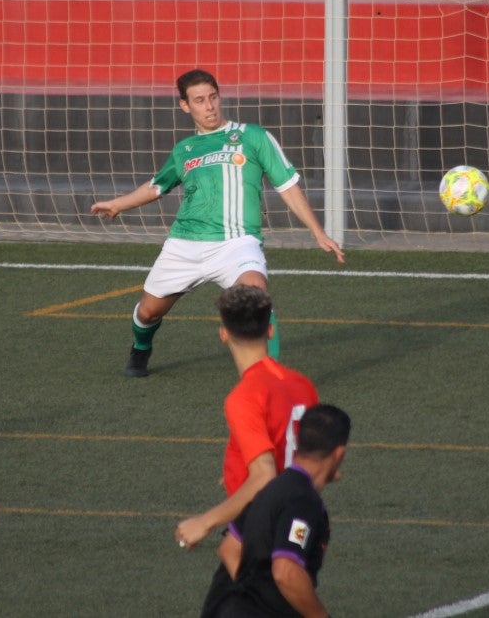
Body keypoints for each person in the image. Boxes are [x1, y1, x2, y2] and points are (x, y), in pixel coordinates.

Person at [90, 68, 345, 377]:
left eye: (213, 97)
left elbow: (287, 186)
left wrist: (318, 232)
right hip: (184, 244)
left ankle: (266, 378)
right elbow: (157, 186)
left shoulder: (253, 136)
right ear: (185, 106)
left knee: (256, 295)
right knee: (148, 312)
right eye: (199, 100)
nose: (209, 106)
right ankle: (141, 347)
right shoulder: (184, 150)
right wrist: (117, 204)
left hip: (236, 243)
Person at [175, 284, 319, 551]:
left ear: (223, 334)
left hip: (264, 525)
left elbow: (263, 476)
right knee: (230, 558)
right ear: (270, 331)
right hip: (300, 521)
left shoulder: (244, 397)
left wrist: (205, 522)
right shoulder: (302, 385)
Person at [200, 404, 351, 618]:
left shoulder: (269, 489)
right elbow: (286, 571)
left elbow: (230, 548)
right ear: (339, 453)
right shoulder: (303, 500)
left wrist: (255, 598)